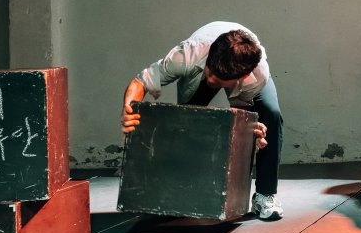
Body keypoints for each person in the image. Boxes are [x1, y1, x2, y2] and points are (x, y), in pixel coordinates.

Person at [120, 21, 284, 221]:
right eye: (211, 71)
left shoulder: (256, 77)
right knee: (188, 121)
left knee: (271, 114)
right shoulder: (186, 56)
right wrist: (129, 110)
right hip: (200, 64)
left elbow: (244, 120)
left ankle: (265, 195)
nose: (212, 79)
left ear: (242, 77)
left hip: (246, 77)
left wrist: (251, 134)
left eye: (219, 77)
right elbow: (141, 81)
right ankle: (180, 189)